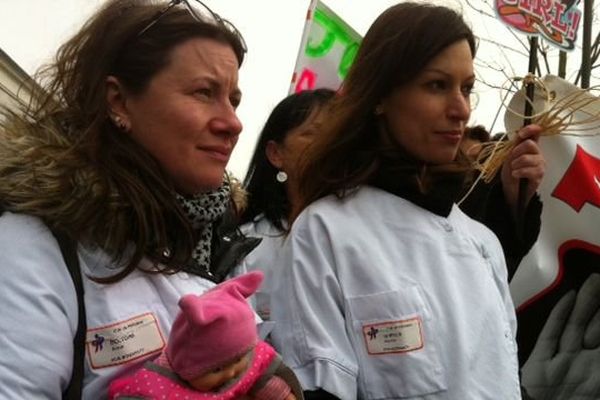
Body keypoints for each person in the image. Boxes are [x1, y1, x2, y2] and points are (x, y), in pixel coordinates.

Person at [268, 3, 537, 399]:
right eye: (436, 85)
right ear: (380, 95)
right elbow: (319, 386)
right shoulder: (325, 232)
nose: (460, 109)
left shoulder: (482, 243)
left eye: (466, 88)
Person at [0, 0, 266, 398]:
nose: (232, 122)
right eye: (204, 92)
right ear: (119, 102)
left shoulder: (220, 239)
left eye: (234, 99)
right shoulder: (38, 241)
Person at [109, 271, 301, 400]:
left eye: (239, 359)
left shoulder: (248, 359)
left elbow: (264, 380)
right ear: (186, 366)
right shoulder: (158, 389)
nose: (232, 373)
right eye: (216, 369)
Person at [237, 88, 335, 322]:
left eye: (339, 133)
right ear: (276, 154)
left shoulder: (375, 232)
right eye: (313, 133)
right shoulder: (246, 247)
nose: (332, 144)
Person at [459, 125, 544, 279]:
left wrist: (512, 198)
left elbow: (504, 260)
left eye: (478, 159)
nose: (471, 168)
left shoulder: (489, 201)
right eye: (463, 160)